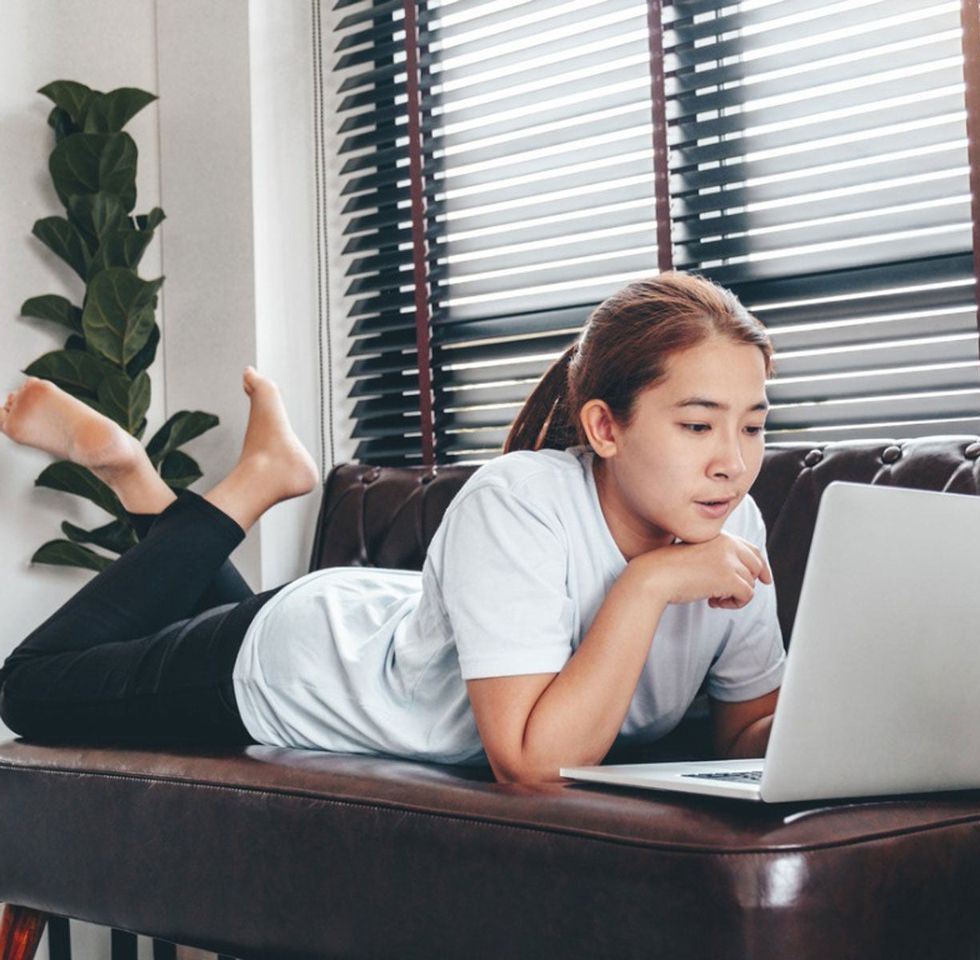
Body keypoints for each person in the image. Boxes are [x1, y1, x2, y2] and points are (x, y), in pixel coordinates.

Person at [0, 271, 784, 783]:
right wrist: (648, 585)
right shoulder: (521, 501)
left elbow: (747, 729)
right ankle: (252, 483)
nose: (732, 462)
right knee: (33, 686)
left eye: (752, 427)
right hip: (296, 669)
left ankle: (139, 477)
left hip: (369, 626)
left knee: (174, 617)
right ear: (604, 428)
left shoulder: (730, 519)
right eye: (697, 426)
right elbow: (531, 765)